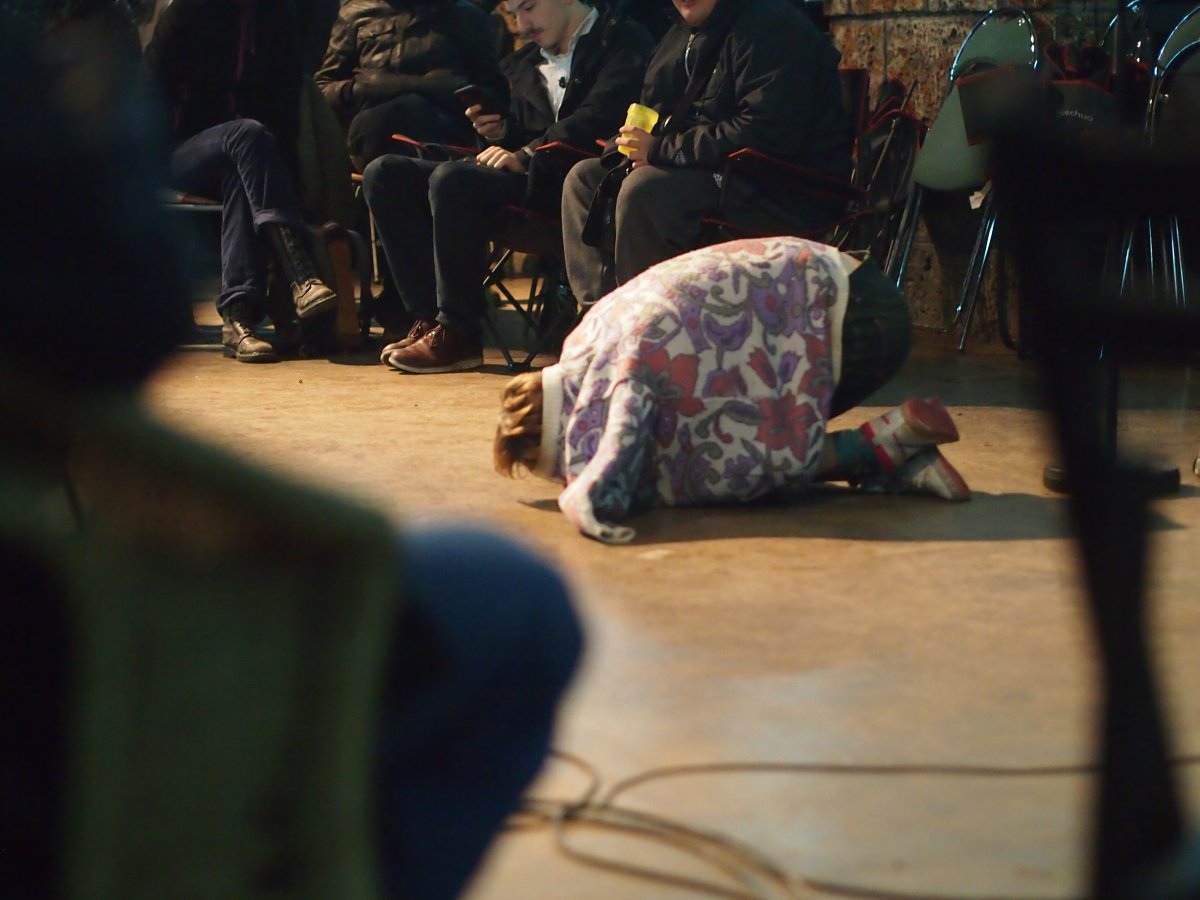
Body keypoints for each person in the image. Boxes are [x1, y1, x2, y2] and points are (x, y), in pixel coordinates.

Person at [1, 15, 582, 900]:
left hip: (270, 155)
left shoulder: (323, 27)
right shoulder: (163, 26)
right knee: (509, 598)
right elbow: (114, 297)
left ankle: (256, 295)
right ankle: (287, 269)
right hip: (186, 158)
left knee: (255, 146)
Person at [495, 236, 970, 543]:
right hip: (853, 284)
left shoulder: (621, 380)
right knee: (695, 422)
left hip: (857, 324)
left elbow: (616, 457)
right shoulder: (591, 340)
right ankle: (901, 454)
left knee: (697, 465)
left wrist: (590, 487)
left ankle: (876, 446)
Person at [363, 0, 654, 374]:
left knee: (453, 180)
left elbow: (600, 115)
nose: (521, 24)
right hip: (522, 184)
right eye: (513, 13)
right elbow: (517, 134)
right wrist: (500, 133)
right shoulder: (519, 65)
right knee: (384, 173)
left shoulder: (622, 39)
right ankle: (429, 320)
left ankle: (459, 332)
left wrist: (526, 153)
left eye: (528, 7)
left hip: (582, 188)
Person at [560, 0, 852, 304]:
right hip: (710, 170)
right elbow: (660, 112)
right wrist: (628, 146)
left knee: (644, 190)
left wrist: (660, 150)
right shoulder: (681, 34)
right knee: (584, 180)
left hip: (777, 187)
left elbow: (765, 132)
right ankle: (604, 317)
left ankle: (652, 320)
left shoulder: (773, 25)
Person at [144, 0, 341, 363]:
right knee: (246, 134)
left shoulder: (276, 16)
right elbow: (149, 94)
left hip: (249, 160)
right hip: (179, 153)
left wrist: (287, 179)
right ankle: (300, 274)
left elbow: (284, 113)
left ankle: (237, 320)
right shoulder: (188, 12)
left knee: (242, 165)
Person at [314, 0, 511, 171]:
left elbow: (497, 93)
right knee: (385, 117)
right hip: (372, 135)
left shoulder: (462, 14)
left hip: (442, 141)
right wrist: (362, 89)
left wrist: (462, 95)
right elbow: (323, 88)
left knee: (409, 110)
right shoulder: (356, 13)